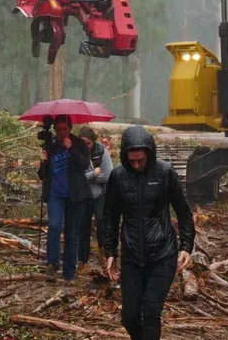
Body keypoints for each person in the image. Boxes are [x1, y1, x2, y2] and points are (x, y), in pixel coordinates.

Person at [102, 126, 194, 340]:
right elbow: (110, 216)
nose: (136, 165)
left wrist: (186, 246)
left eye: (140, 160)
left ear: (149, 155)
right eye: (132, 161)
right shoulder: (118, 176)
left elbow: (184, 211)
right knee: (129, 317)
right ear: (125, 157)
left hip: (163, 253)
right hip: (132, 256)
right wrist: (110, 252)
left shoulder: (165, 172)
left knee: (151, 313)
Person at [37, 115, 94, 281]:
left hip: (75, 195)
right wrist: (44, 162)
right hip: (55, 193)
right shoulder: (51, 145)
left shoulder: (79, 144)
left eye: (65, 129)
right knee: (54, 226)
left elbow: (85, 165)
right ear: (55, 129)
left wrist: (71, 149)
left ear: (70, 128)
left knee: (72, 233)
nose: (62, 133)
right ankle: (52, 264)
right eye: (59, 129)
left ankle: (69, 272)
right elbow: (42, 175)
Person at [77, 125, 113, 271]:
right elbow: (76, 178)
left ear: (93, 142)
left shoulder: (101, 150)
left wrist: (88, 177)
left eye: (88, 143)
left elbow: (108, 175)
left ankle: (104, 255)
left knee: (102, 222)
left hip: (99, 194)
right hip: (83, 196)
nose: (85, 146)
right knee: (83, 227)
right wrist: (94, 173)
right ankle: (82, 261)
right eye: (82, 143)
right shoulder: (75, 152)